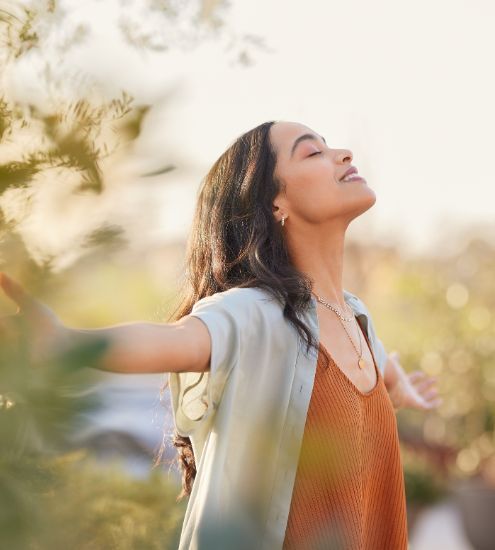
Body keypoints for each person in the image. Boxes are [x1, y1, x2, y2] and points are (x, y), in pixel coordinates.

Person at [0, 120, 441, 549]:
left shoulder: (357, 318)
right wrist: (66, 344)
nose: (342, 154)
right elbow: (176, 341)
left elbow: (372, 369)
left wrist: (396, 386)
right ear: (274, 204)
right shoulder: (256, 312)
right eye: (312, 152)